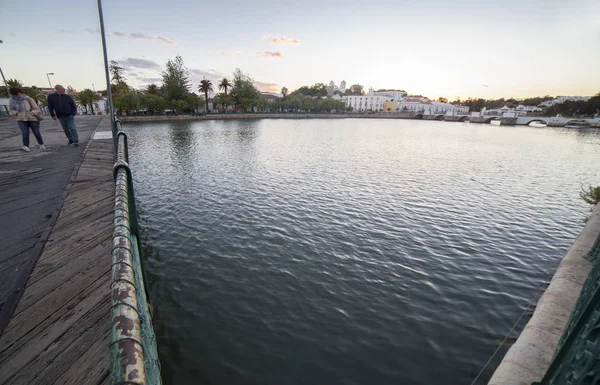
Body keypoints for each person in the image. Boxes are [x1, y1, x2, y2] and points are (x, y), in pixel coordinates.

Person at [9, 87, 45, 152]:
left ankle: (41, 144)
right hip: (21, 118)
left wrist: (32, 113)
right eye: (16, 94)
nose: (18, 95)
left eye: (19, 93)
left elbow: (36, 108)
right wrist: (16, 113)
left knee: (36, 132)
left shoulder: (28, 99)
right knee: (25, 133)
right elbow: (11, 109)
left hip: (32, 118)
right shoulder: (12, 100)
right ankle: (26, 146)